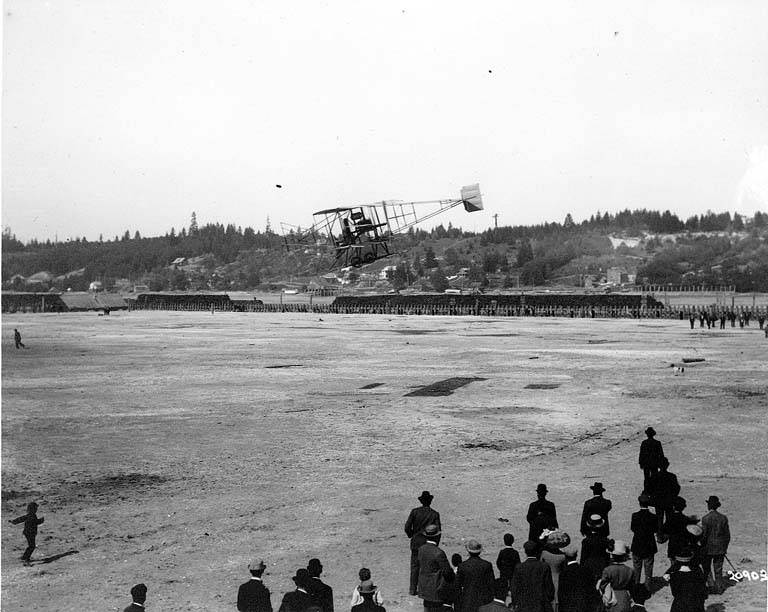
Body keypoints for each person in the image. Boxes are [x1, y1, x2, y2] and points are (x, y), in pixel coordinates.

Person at [405, 491, 441, 596]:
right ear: (430, 501)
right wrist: (435, 544)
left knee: (415, 566)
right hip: (429, 543)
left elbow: (407, 527)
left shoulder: (414, 512)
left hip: (416, 543)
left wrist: (411, 535)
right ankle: (424, 589)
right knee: (428, 567)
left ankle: (412, 589)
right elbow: (438, 530)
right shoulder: (434, 514)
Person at [509, 540, 555, 612]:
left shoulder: (519, 567)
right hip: (541, 606)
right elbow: (550, 589)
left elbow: (514, 588)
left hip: (524, 606)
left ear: (525, 552)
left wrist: (516, 603)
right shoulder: (544, 566)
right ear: (536, 551)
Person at [416, 524, 453, 612]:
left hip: (424, 590)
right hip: (436, 591)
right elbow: (447, 572)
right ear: (438, 536)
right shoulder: (439, 553)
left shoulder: (421, 549)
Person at [700, 495, 730, 593]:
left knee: (707, 568)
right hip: (720, 548)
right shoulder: (723, 518)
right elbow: (727, 536)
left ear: (709, 506)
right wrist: (724, 547)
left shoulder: (705, 519)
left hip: (708, 548)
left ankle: (711, 586)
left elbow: (704, 535)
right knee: (718, 569)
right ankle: (719, 588)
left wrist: (701, 545)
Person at [456, 539, 495, 612]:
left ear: (468, 551)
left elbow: (458, 585)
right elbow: (491, 584)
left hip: (467, 601)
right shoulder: (487, 565)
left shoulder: (462, 566)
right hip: (483, 602)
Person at [629, 494, 657, 591]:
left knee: (637, 568)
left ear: (639, 503)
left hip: (637, 544)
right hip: (649, 544)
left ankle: (636, 587)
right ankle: (647, 589)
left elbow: (633, 528)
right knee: (648, 569)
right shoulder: (653, 517)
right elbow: (655, 529)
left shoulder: (635, 516)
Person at [598, 541, 634, 612]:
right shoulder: (630, 570)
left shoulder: (608, 570)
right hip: (624, 597)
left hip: (612, 597)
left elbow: (602, 586)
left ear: (612, 556)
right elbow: (632, 587)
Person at [661, 497, 699, 565]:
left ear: (673, 507)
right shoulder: (685, 519)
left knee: (674, 567)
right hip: (684, 546)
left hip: (673, 547)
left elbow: (664, 532)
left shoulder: (670, 519)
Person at [557, 545, 594, 612]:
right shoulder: (585, 570)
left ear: (565, 557)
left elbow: (561, 593)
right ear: (576, 555)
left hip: (568, 606)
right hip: (583, 605)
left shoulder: (564, 573)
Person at [647, 457, 679, 530]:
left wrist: (653, 496)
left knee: (659, 518)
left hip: (658, 501)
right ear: (667, 465)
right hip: (669, 500)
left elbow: (650, 489)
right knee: (669, 518)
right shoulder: (672, 476)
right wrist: (673, 496)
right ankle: (668, 533)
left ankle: (660, 535)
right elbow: (676, 488)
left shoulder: (654, 476)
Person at [580, 515, 610, 583]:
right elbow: (606, 556)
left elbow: (583, 557)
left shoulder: (586, 541)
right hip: (602, 565)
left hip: (589, 566)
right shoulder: (605, 540)